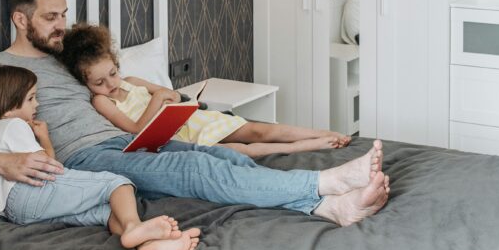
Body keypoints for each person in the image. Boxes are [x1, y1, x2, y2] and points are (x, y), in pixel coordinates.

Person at [0, 0, 389, 226]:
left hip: (124, 143)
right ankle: (323, 186)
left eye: (64, 14)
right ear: (21, 20)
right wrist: (5, 164)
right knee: (195, 168)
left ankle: (329, 207)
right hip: (84, 158)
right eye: (51, 17)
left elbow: (114, 85)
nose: (62, 25)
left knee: (226, 160)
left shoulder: (67, 57)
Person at [0, 64, 200, 250]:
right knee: (118, 184)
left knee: (106, 211)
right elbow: (47, 165)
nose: (37, 105)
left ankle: (146, 246)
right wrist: (45, 139)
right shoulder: (13, 126)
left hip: (15, 211)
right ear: (8, 109)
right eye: (31, 99)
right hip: (29, 192)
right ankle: (134, 227)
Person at [60, 23, 351, 156]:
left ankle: (323, 133)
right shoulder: (101, 102)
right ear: (85, 82)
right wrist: (160, 99)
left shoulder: (132, 82)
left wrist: (166, 97)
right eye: (99, 82)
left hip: (186, 120)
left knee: (257, 129)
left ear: (115, 63)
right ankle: (307, 146)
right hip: (171, 139)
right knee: (235, 151)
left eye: (112, 73)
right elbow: (136, 129)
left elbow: (171, 95)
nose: (110, 84)